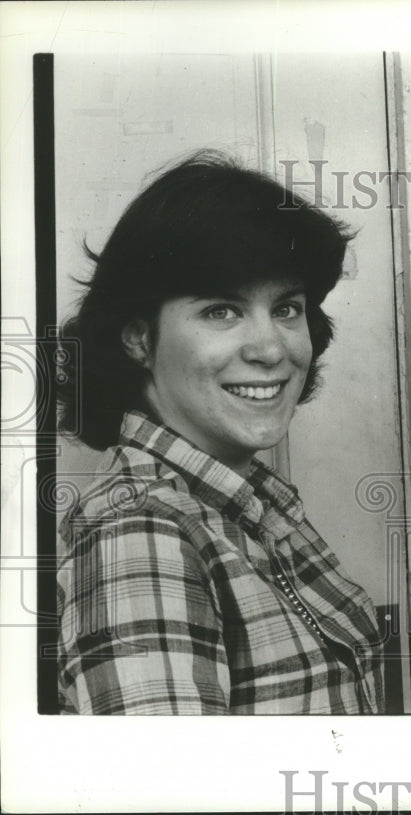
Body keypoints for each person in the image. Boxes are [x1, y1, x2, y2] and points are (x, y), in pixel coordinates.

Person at [55, 152, 384, 714]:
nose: (272, 349)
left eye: (286, 308)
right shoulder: (142, 535)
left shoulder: (246, 500)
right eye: (220, 312)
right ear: (137, 338)